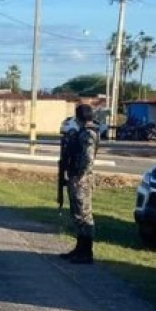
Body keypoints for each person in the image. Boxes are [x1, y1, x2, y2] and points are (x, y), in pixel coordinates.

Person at [59, 104, 99, 264]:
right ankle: (79, 249)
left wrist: (80, 176)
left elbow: (88, 159)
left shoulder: (88, 134)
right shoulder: (82, 132)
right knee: (77, 215)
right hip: (77, 178)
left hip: (81, 180)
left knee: (84, 216)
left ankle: (86, 252)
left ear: (78, 117)